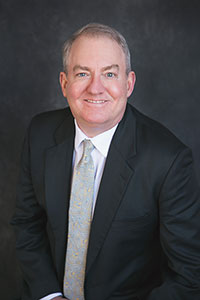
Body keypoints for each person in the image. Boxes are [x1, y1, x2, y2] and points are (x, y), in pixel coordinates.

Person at [11, 23, 200, 300]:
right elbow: (27, 224)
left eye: (109, 73)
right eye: (83, 73)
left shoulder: (168, 160)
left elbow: (189, 274)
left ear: (129, 83)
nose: (95, 88)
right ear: (65, 84)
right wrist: (50, 295)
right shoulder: (40, 134)